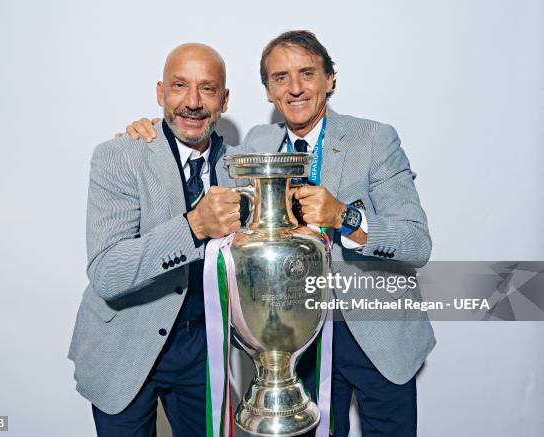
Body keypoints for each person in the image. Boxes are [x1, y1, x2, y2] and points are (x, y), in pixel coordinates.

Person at [122, 30, 435, 437]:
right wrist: (149, 135)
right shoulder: (256, 143)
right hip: (292, 342)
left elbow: (417, 243)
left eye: (307, 73)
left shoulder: (374, 140)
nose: (295, 88)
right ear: (268, 91)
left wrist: (345, 216)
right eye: (280, 78)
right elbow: (191, 142)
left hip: (376, 335)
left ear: (331, 80)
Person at [67, 43, 243, 437]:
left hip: (203, 352)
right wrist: (194, 226)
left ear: (225, 100)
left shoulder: (240, 167)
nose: (193, 102)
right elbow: (107, 273)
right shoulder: (119, 156)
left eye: (208, 89)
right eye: (180, 86)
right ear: (161, 93)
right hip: (124, 343)